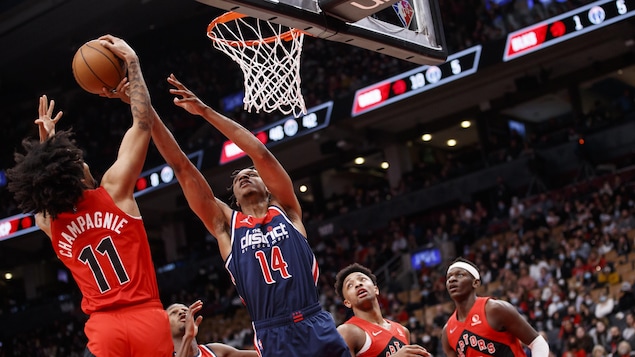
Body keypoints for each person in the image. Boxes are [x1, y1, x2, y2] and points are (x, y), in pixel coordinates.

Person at [147, 74, 350, 357]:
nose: (245, 176)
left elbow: (261, 154)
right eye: (238, 177)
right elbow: (181, 167)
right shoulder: (227, 226)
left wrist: (205, 111)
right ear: (233, 196)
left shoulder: (286, 210)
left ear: (268, 188)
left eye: (251, 174)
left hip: (314, 320)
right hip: (272, 332)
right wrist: (146, 109)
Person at [6, 35, 173, 357]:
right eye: (77, 160)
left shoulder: (51, 223)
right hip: (145, 315)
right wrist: (133, 64)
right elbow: (142, 122)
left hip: (103, 327)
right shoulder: (114, 191)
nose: (81, 159)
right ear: (74, 174)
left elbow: (43, 187)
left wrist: (47, 149)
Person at [441, 258, 549, 357]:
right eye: (449, 277)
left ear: (475, 283)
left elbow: (537, 343)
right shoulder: (447, 331)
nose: (452, 279)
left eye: (459, 275)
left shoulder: (495, 309)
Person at [334, 263, 431, 356]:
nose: (358, 284)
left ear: (376, 289)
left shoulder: (403, 330)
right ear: (347, 303)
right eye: (350, 285)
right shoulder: (347, 331)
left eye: (362, 279)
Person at [169, 300, 258, 357]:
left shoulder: (216, 350)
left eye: (185, 310)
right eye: (173, 313)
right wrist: (188, 337)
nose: (181, 312)